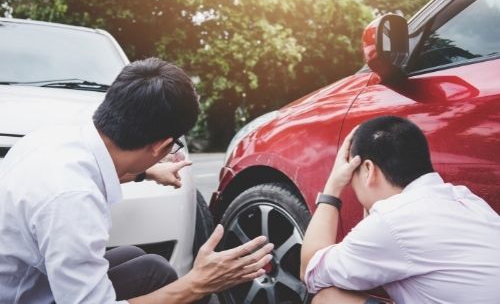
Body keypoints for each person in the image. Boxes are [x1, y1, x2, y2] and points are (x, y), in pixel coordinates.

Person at [0, 58, 274, 303]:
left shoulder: (56, 137)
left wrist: (146, 172)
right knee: (165, 278)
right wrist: (198, 283)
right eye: (174, 145)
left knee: (146, 264)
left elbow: (97, 171)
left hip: (28, 277)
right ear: (161, 145)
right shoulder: (73, 200)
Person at [300, 116, 500, 304]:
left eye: (353, 176)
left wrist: (333, 185)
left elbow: (309, 270)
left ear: (368, 170)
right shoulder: (466, 199)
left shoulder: (391, 222)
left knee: (328, 298)